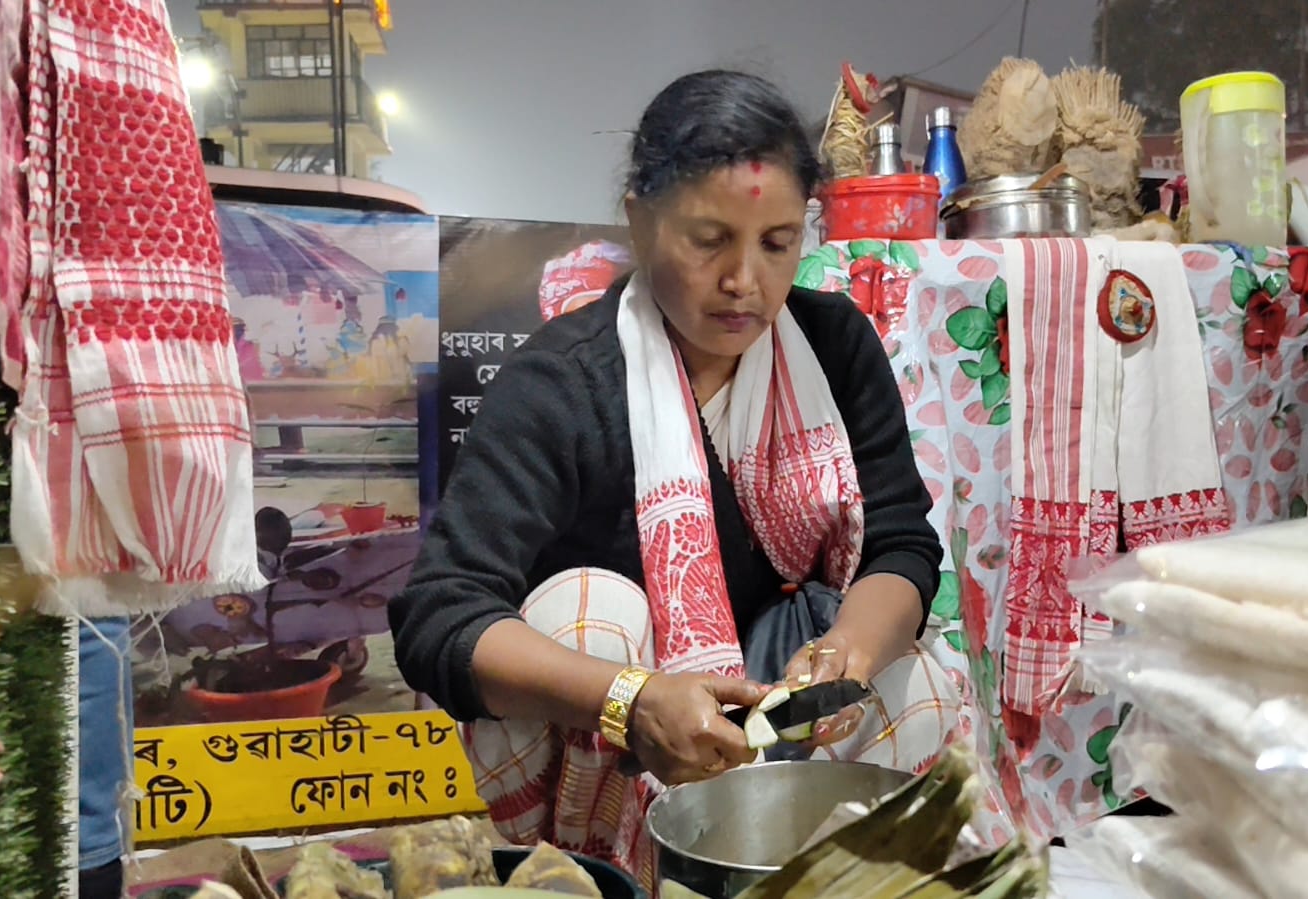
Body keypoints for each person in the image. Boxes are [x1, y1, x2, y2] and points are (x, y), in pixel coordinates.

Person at [390, 69, 960, 886]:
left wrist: (844, 658)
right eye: (706, 239)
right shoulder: (564, 383)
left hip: (779, 700)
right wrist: (631, 698)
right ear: (639, 218)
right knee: (592, 611)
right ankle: (606, 878)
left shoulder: (832, 346)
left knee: (917, 677)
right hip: (610, 740)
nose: (745, 281)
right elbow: (438, 616)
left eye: (775, 242)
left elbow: (901, 545)